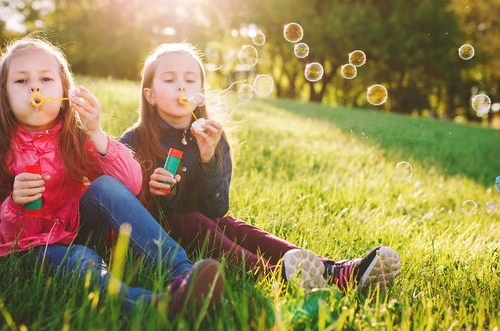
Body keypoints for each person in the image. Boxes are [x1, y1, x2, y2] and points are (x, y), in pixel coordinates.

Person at [0, 37, 224, 318]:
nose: (35, 87)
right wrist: (16, 203)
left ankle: (182, 273)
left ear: (65, 92)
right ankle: (156, 305)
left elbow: (132, 183)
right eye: (21, 81)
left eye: (46, 79)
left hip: (74, 230)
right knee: (82, 260)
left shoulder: (73, 135)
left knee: (106, 187)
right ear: (4, 95)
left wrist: (96, 132)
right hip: (22, 248)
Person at [120, 43, 401, 293]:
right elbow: (127, 214)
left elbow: (216, 209)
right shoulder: (133, 142)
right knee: (193, 221)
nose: (181, 86)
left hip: (203, 227)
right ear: (150, 95)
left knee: (230, 225)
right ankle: (277, 276)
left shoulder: (212, 139)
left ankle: (332, 270)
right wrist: (162, 195)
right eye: (169, 79)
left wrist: (208, 159)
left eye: (190, 79)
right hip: (158, 241)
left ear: (201, 93)